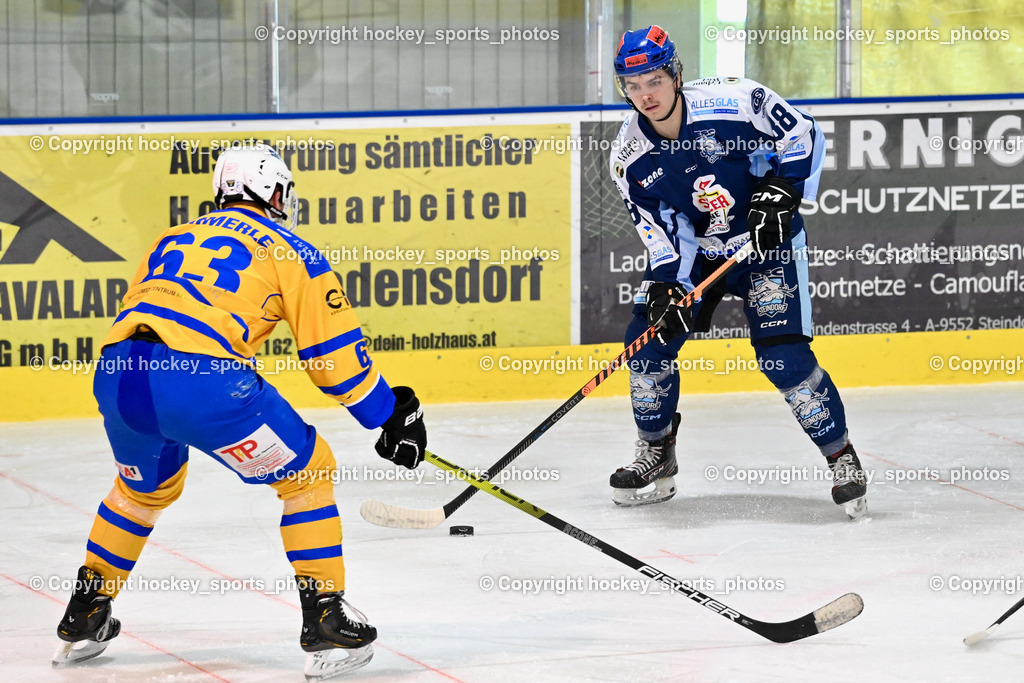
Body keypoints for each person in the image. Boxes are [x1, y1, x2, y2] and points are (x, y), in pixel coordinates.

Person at [52, 143, 427, 679]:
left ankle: (85, 610)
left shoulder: (172, 236)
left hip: (118, 376)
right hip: (203, 385)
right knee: (308, 474)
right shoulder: (291, 248)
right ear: (275, 192)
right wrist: (392, 415)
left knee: (141, 491)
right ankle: (323, 614)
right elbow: (333, 363)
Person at [607, 26, 866, 517]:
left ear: (676, 75)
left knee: (782, 358)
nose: (646, 95)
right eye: (633, 85)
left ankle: (842, 458)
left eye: (655, 80)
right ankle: (657, 452)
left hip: (766, 245)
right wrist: (667, 284)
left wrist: (785, 189)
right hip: (701, 255)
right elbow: (661, 231)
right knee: (645, 342)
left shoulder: (737, 100)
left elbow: (801, 132)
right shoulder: (630, 157)